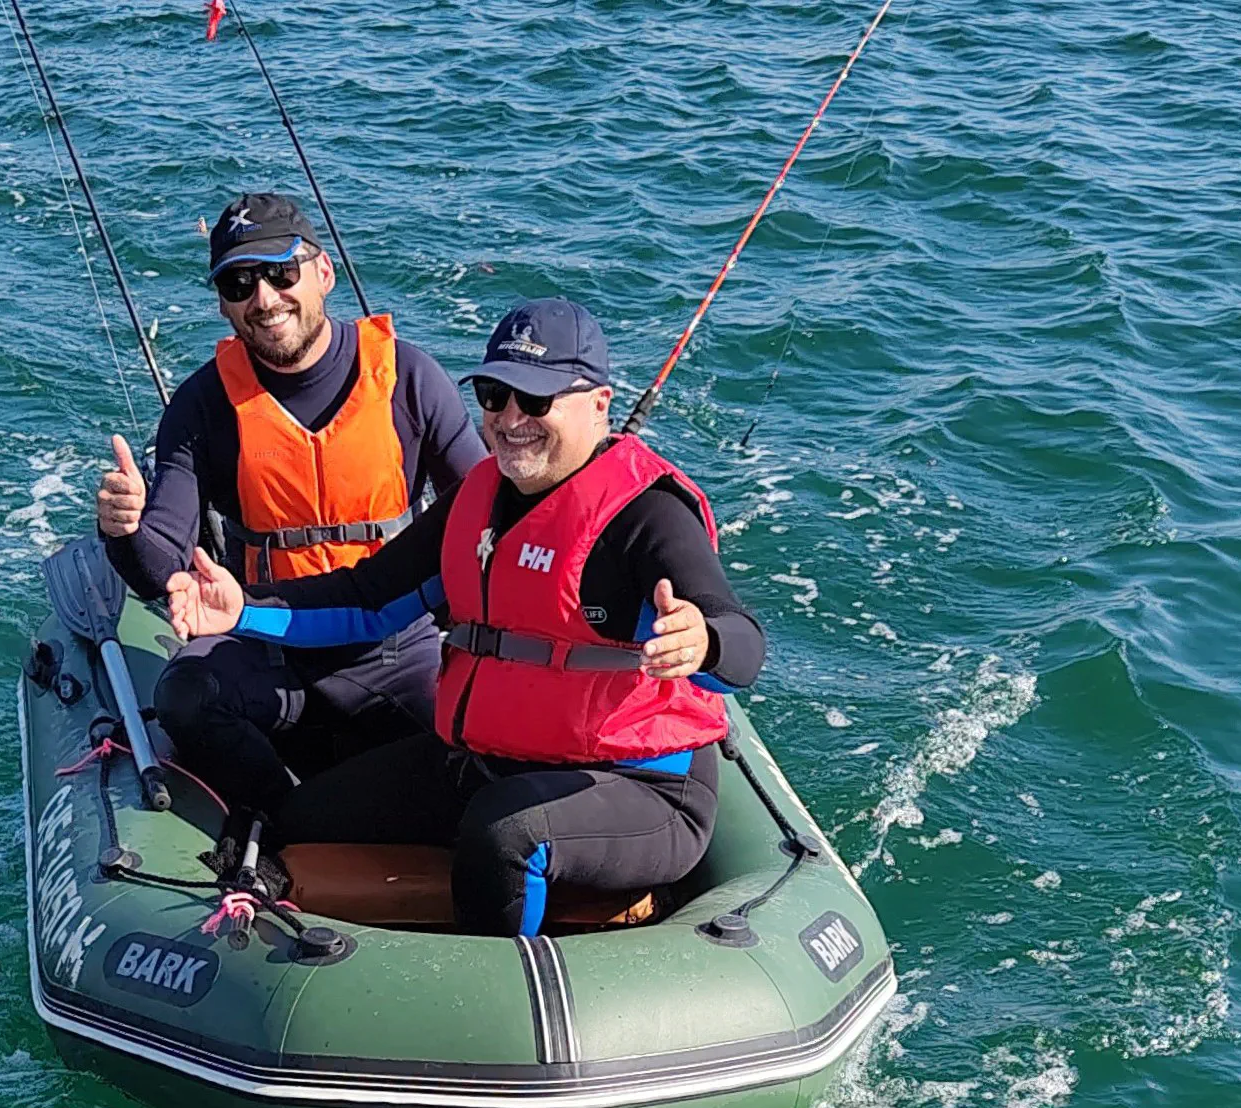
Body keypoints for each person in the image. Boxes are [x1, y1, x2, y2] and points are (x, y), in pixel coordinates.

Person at [162, 298, 764, 937]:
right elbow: (368, 598)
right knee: (304, 818)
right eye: (493, 395)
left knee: (504, 834)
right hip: (491, 760)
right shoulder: (474, 501)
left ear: (599, 403)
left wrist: (702, 641)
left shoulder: (648, 516)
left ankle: (499, 1006)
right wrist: (242, 610)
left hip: (640, 788)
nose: (510, 420)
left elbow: (742, 641)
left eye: (535, 402)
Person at [96, 193, 483, 813]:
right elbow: (161, 562)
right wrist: (124, 530)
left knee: (483, 751)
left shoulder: (409, 379)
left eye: (282, 273)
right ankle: (282, 829)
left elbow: (483, 513)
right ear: (223, 304)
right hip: (263, 644)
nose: (265, 299)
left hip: (396, 648)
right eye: (240, 283)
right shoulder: (201, 408)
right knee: (186, 697)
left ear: (322, 273)